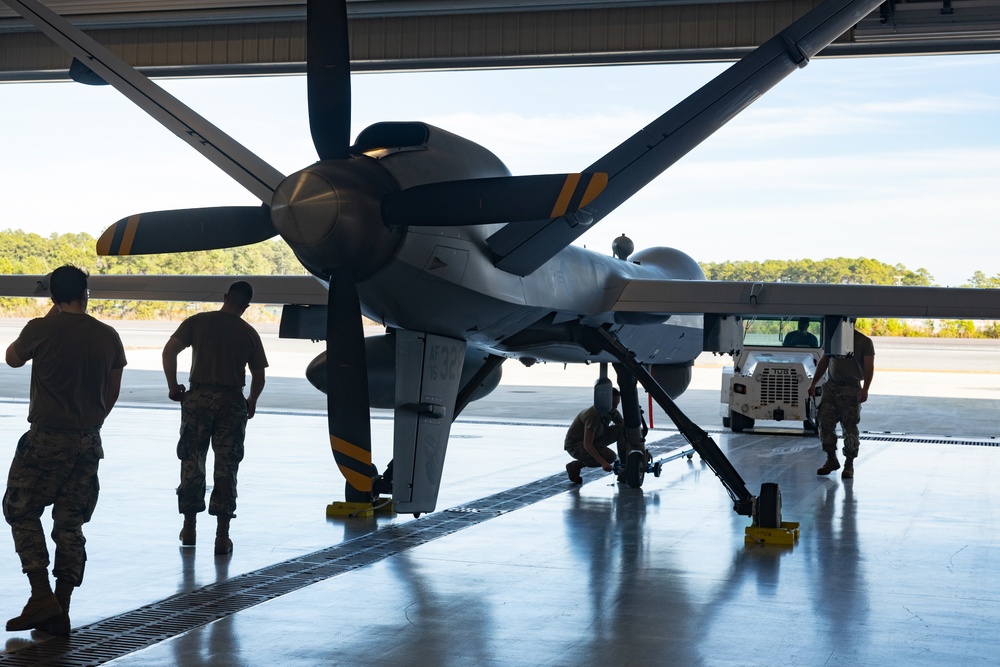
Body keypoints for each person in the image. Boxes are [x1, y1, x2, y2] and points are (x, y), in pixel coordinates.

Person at [3, 265, 127, 636]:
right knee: (70, 523)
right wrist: (93, 421)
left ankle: (40, 593)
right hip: (88, 441)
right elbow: (113, 387)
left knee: (20, 509)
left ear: (53, 297)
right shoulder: (108, 336)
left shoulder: (40, 329)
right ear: (86, 292)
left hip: (45, 441)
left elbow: (11, 357)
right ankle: (62, 608)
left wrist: (48, 316)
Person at [162, 281, 267, 555]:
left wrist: (173, 386)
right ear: (246, 306)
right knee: (227, 466)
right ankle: (222, 536)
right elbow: (259, 376)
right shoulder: (248, 333)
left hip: (197, 399)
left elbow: (169, 350)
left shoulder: (198, 322)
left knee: (192, 461)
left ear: (224, 297)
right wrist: (251, 401)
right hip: (231, 402)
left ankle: (189, 528)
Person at [808, 327, 875, 478]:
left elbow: (869, 367)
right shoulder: (833, 338)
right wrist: (813, 383)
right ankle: (831, 459)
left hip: (851, 388)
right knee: (824, 423)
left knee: (849, 426)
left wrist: (865, 388)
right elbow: (824, 361)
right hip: (831, 387)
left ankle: (849, 465)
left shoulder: (865, 342)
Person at [564, 388, 626, 483]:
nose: (615, 408)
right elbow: (587, 444)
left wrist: (641, 449)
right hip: (576, 444)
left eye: (617, 404)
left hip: (595, 438)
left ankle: (625, 465)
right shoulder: (592, 415)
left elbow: (627, 430)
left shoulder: (611, 411)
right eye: (612, 404)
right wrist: (603, 462)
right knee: (610, 457)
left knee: (623, 428)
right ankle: (576, 465)